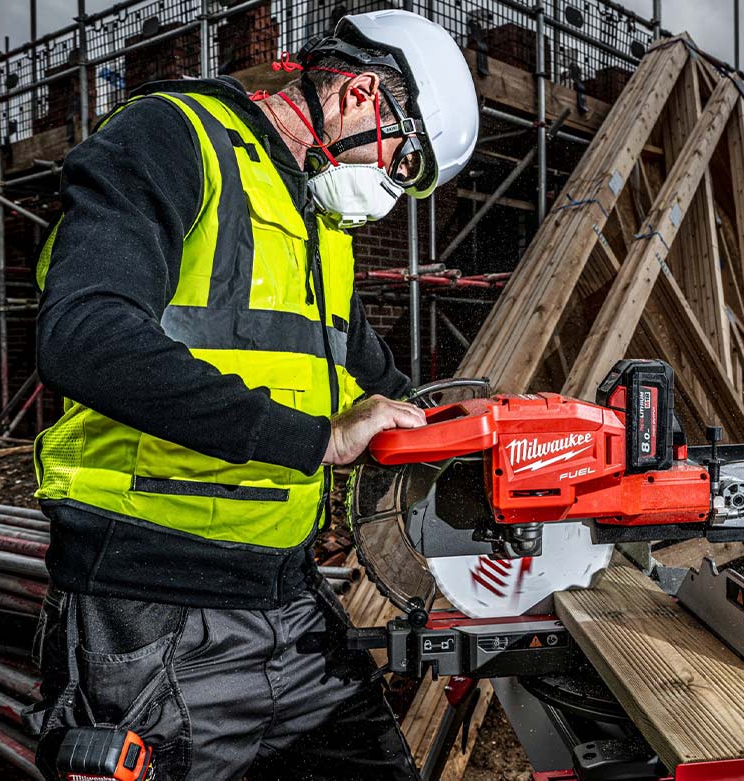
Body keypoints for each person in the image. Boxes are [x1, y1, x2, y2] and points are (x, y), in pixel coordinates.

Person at [25, 10, 479, 780]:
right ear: (363, 95)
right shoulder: (172, 139)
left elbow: (388, 392)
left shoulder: (317, 225)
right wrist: (317, 438)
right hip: (148, 609)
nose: (396, 188)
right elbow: (83, 335)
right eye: (404, 163)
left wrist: (501, 439)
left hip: (285, 603)